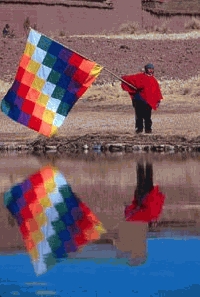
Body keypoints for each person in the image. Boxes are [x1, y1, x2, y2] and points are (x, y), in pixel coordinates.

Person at [121, 63, 163, 134]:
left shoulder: (154, 80)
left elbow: (157, 91)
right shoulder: (140, 76)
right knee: (139, 116)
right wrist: (123, 78)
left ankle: (148, 129)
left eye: (152, 69)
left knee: (147, 116)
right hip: (139, 99)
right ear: (146, 69)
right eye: (149, 69)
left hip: (148, 102)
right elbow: (130, 79)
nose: (150, 70)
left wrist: (158, 100)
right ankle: (139, 129)